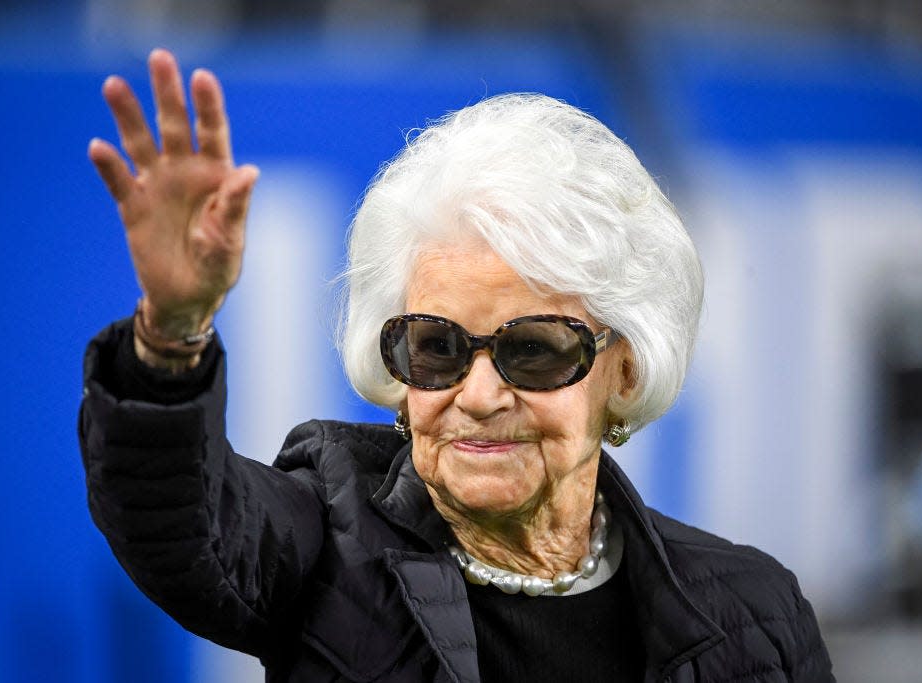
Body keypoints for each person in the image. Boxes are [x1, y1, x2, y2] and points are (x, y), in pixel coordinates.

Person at [80, 48, 834, 682]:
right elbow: (181, 525)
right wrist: (172, 333)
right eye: (437, 347)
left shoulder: (756, 616)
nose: (477, 394)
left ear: (625, 373)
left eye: (534, 350)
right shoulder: (325, 544)